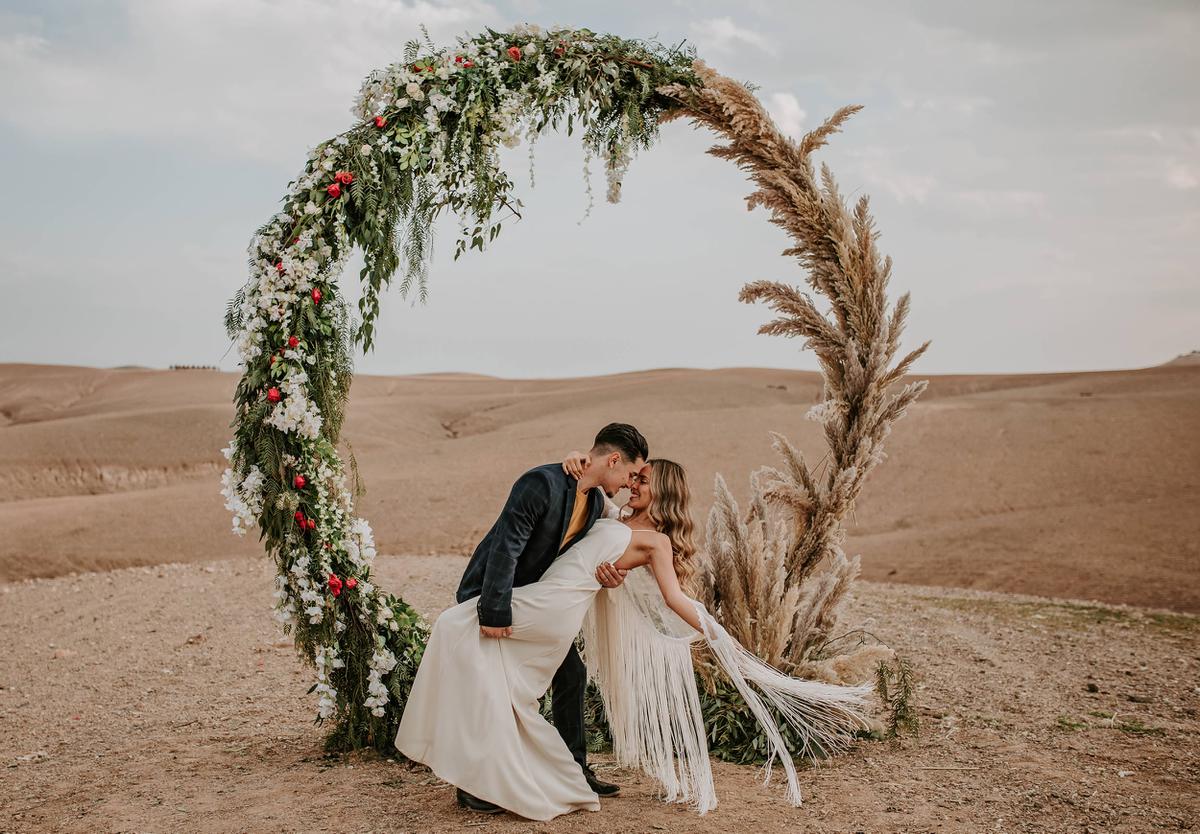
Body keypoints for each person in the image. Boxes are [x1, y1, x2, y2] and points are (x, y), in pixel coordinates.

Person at [394, 449, 875, 821]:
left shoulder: (657, 542)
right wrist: (572, 460)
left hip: (552, 611)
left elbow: (674, 599)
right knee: (503, 673)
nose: (633, 483)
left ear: (662, 493)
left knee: (460, 632)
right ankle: (513, 773)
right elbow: (582, 491)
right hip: (546, 602)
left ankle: (500, 772)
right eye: (634, 476)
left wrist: (718, 633)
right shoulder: (608, 514)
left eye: (643, 481)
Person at [403, 423, 648, 815]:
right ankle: (473, 784)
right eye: (629, 474)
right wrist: (495, 612)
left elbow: (619, 534)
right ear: (614, 459)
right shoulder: (542, 483)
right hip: (496, 599)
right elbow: (507, 547)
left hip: (536, 607)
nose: (628, 483)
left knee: (571, 676)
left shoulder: (596, 502)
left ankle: (575, 771)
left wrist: (612, 574)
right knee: (490, 690)